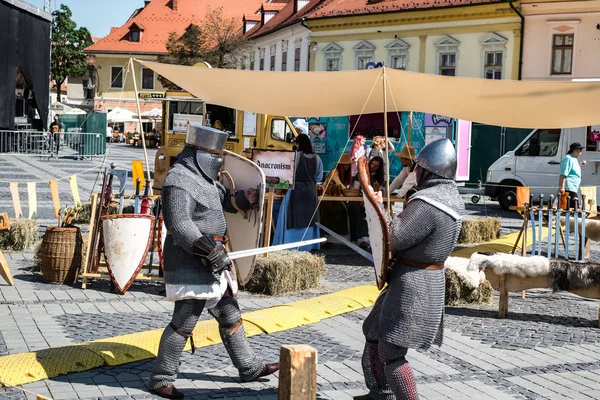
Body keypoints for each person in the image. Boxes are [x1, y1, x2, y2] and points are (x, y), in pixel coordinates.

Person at [148, 126, 279, 399]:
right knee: (184, 322)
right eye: (214, 154)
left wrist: (246, 199)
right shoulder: (178, 180)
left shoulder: (205, 179)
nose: (219, 160)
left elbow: (223, 202)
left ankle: (249, 367)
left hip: (214, 259)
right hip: (192, 259)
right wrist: (210, 251)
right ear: (198, 153)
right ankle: (161, 378)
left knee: (230, 314)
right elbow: (181, 225)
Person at [356, 139, 464, 400]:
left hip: (414, 286)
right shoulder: (450, 198)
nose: (415, 172)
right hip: (414, 279)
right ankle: (379, 392)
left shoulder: (429, 203)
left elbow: (393, 238)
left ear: (429, 171)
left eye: (418, 168)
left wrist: (380, 207)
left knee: (391, 352)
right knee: (373, 329)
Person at [273, 134, 323, 252]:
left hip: (295, 190)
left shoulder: (295, 156)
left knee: (292, 217)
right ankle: (308, 245)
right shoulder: (318, 159)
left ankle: (291, 244)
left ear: (298, 144)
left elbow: (286, 174)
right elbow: (319, 177)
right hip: (311, 191)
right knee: (309, 219)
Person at [349, 156, 386, 250]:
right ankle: (357, 238)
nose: (373, 166)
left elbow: (380, 190)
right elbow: (356, 188)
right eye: (372, 164)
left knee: (370, 213)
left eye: (376, 166)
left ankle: (366, 239)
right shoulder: (361, 174)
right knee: (357, 210)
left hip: (372, 200)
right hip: (358, 199)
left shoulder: (380, 178)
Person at [559, 142, 586, 209]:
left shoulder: (574, 158)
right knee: (574, 206)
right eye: (579, 149)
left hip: (573, 187)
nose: (581, 150)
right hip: (569, 187)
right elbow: (563, 174)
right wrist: (562, 187)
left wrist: (581, 165)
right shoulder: (568, 158)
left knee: (573, 206)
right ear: (573, 150)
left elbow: (574, 172)